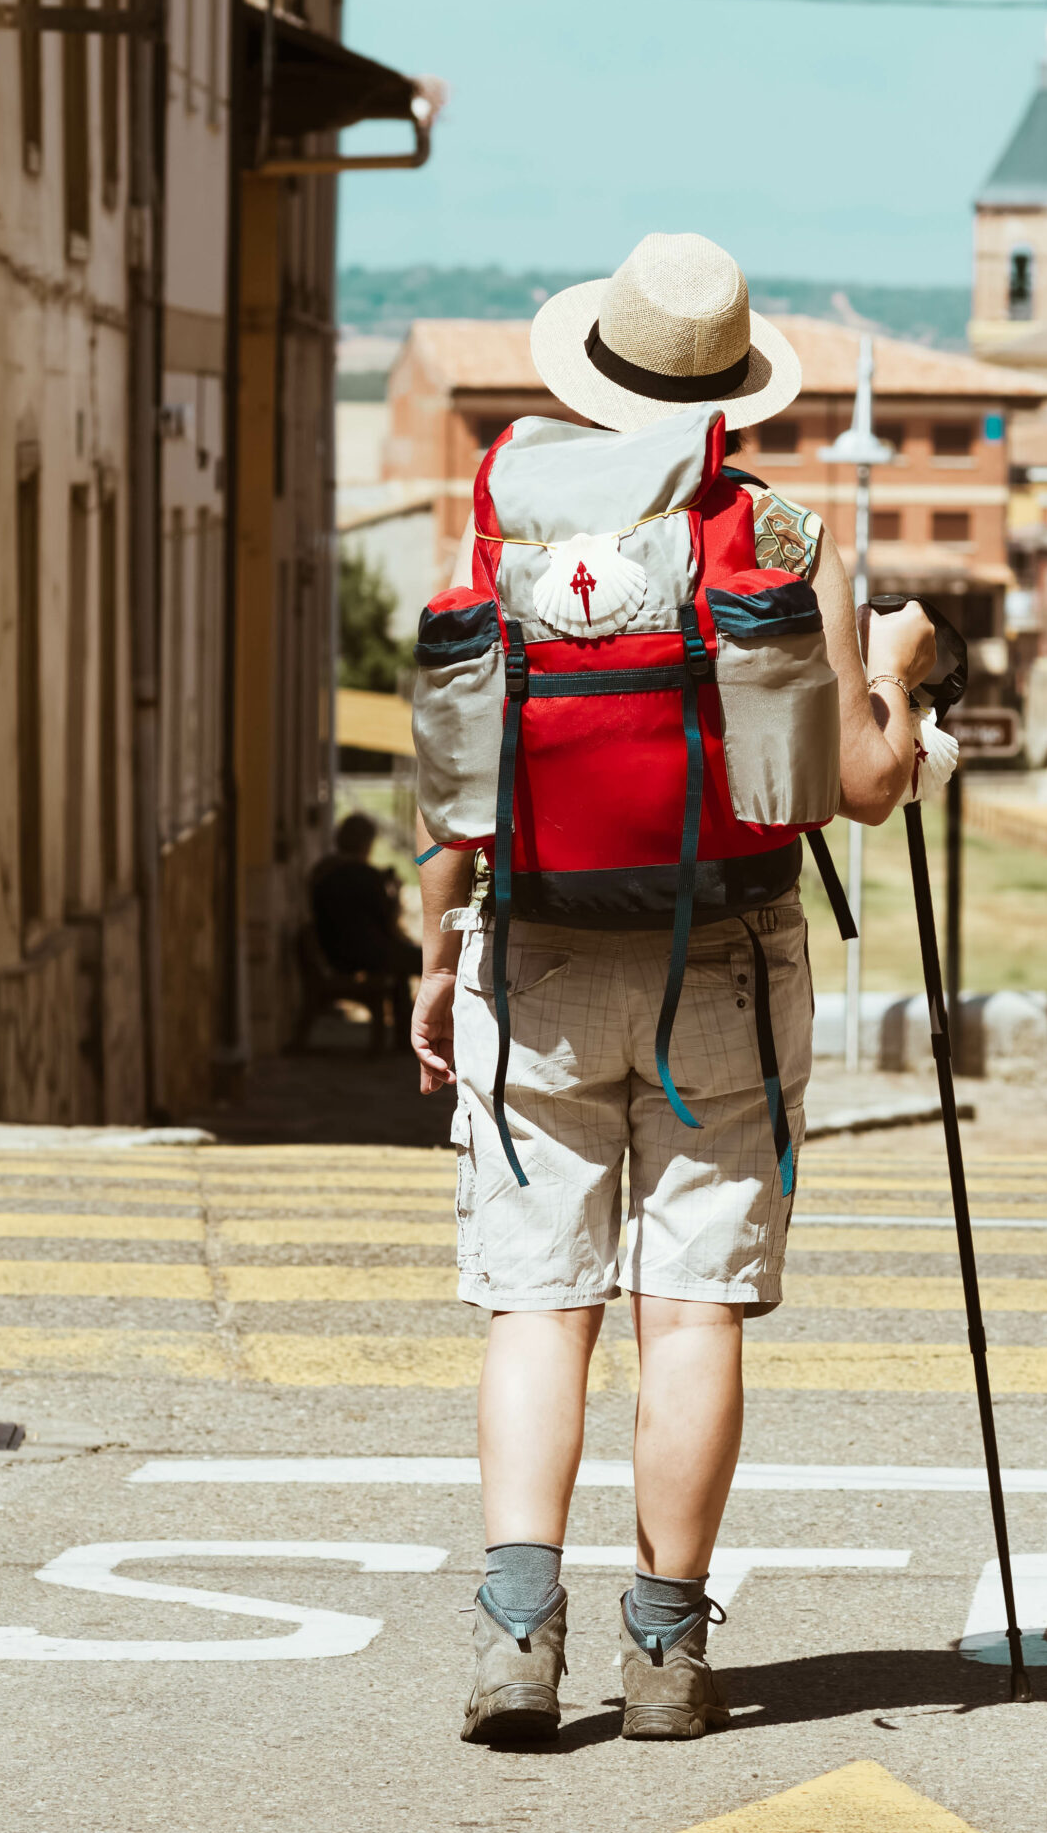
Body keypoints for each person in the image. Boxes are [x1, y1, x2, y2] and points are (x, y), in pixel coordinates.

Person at [410, 233, 935, 1745]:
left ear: (598, 366)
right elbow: (851, 789)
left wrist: (437, 954)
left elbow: (458, 775)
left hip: (534, 944)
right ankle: (664, 1654)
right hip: (723, 952)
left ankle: (517, 1641)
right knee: (688, 1310)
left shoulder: (505, 516)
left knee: (535, 1305)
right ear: (733, 390)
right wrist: (896, 683)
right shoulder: (774, 530)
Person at [310, 813, 423, 1013]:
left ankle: (404, 1033)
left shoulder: (321, 871)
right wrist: (394, 896)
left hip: (333, 952)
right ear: (366, 843)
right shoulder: (366, 876)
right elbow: (387, 922)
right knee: (425, 962)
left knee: (400, 968)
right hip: (364, 955)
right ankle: (411, 1032)